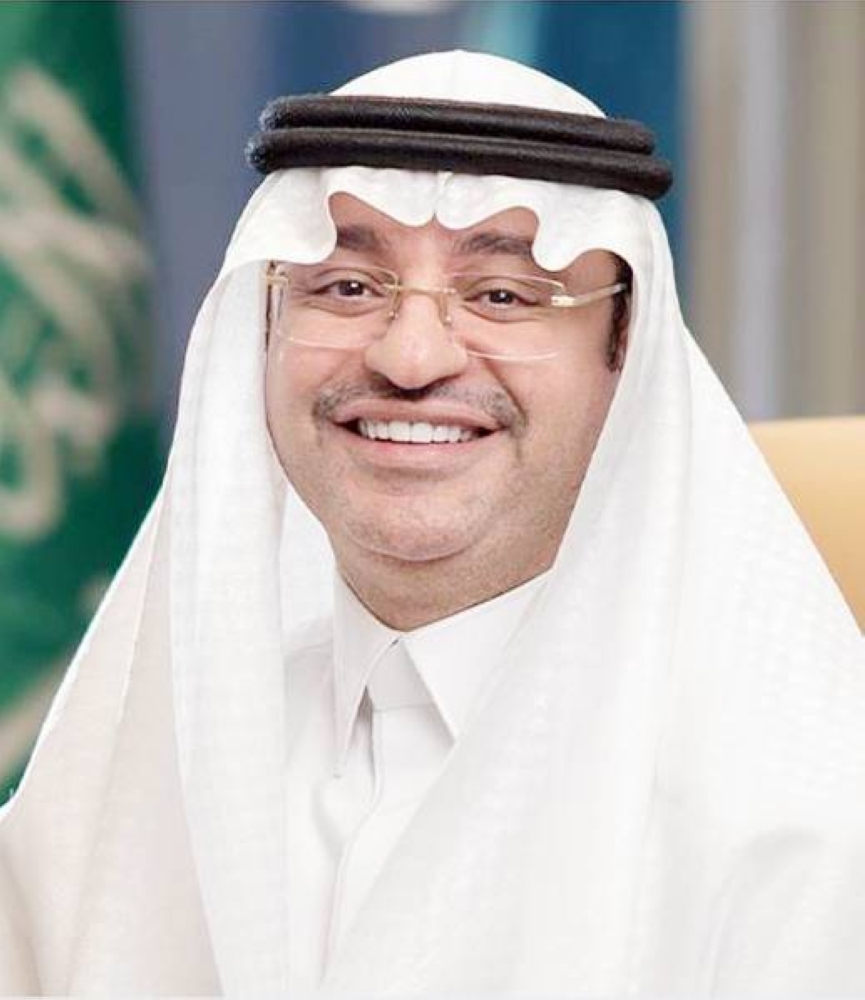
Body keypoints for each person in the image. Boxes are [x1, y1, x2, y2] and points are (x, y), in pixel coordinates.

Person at [1, 50, 864, 997]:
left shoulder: (796, 828)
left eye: (503, 296)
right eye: (346, 287)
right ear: (262, 328)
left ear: (625, 353)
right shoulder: (126, 772)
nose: (410, 358)